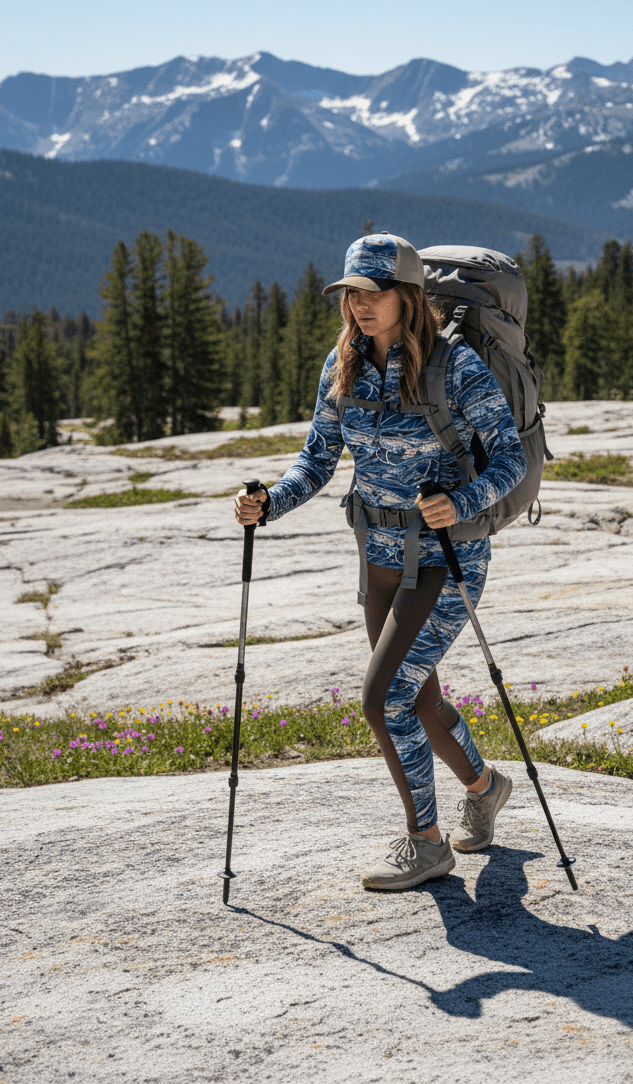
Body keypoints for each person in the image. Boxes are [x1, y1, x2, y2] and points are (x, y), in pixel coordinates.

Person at [234, 231, 527, 891]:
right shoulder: (342, 363)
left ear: (408, 295)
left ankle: (426, 843)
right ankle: (485, 787)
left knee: (384, 696)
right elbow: (317, 460)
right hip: (379, 558)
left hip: (446, 557)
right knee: (418, 697)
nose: (359, 306)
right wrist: (269, 503)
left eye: (373, 293)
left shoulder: (455, 365)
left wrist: (461, 501)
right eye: (350, 294)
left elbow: (509, 456)